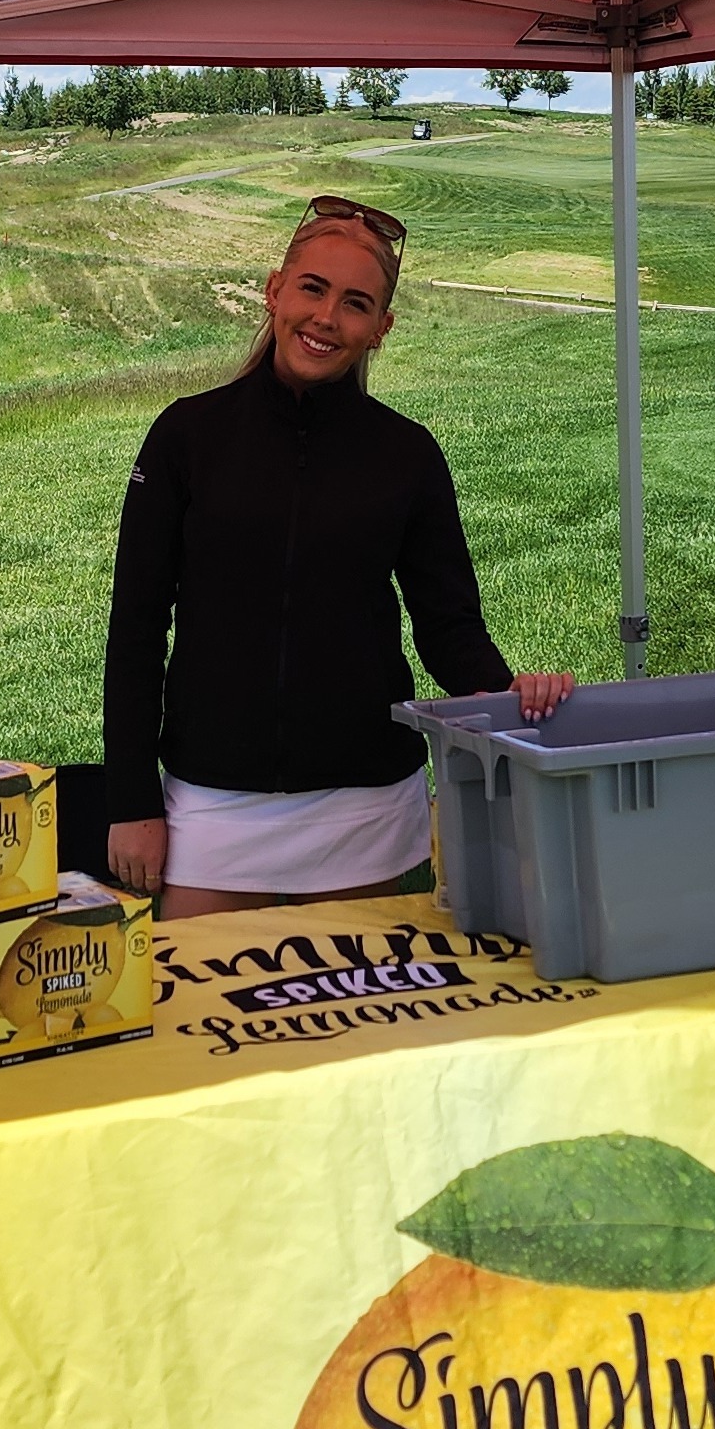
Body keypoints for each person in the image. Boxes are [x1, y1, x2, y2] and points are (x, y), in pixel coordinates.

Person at [103, 193, 574, 918]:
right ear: (274, 291)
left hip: (364, 802)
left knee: (352, 998)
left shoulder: (407, 454)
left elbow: (448, 626)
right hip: (210, 796)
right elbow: (135, 629)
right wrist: (131, 800)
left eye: (356, 304)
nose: (326, 318)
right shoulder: (186, 437)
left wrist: (509, 694)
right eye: (312, 289)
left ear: (381, 328)